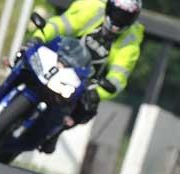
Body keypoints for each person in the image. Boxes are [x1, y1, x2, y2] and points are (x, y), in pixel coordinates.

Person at [27, 0, 144, 153]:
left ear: (134, 19)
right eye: (117, 13)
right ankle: (4, 85)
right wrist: (39, 38)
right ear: (109, 8)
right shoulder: (92, 11)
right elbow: (59, 25)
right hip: (58, 57)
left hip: (84, 79)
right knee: (26, 56)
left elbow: (119, 76)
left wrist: (98, 92)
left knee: (88, 107)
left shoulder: (130, 42)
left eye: (125, 17)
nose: (119, 20)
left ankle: (55, 131)